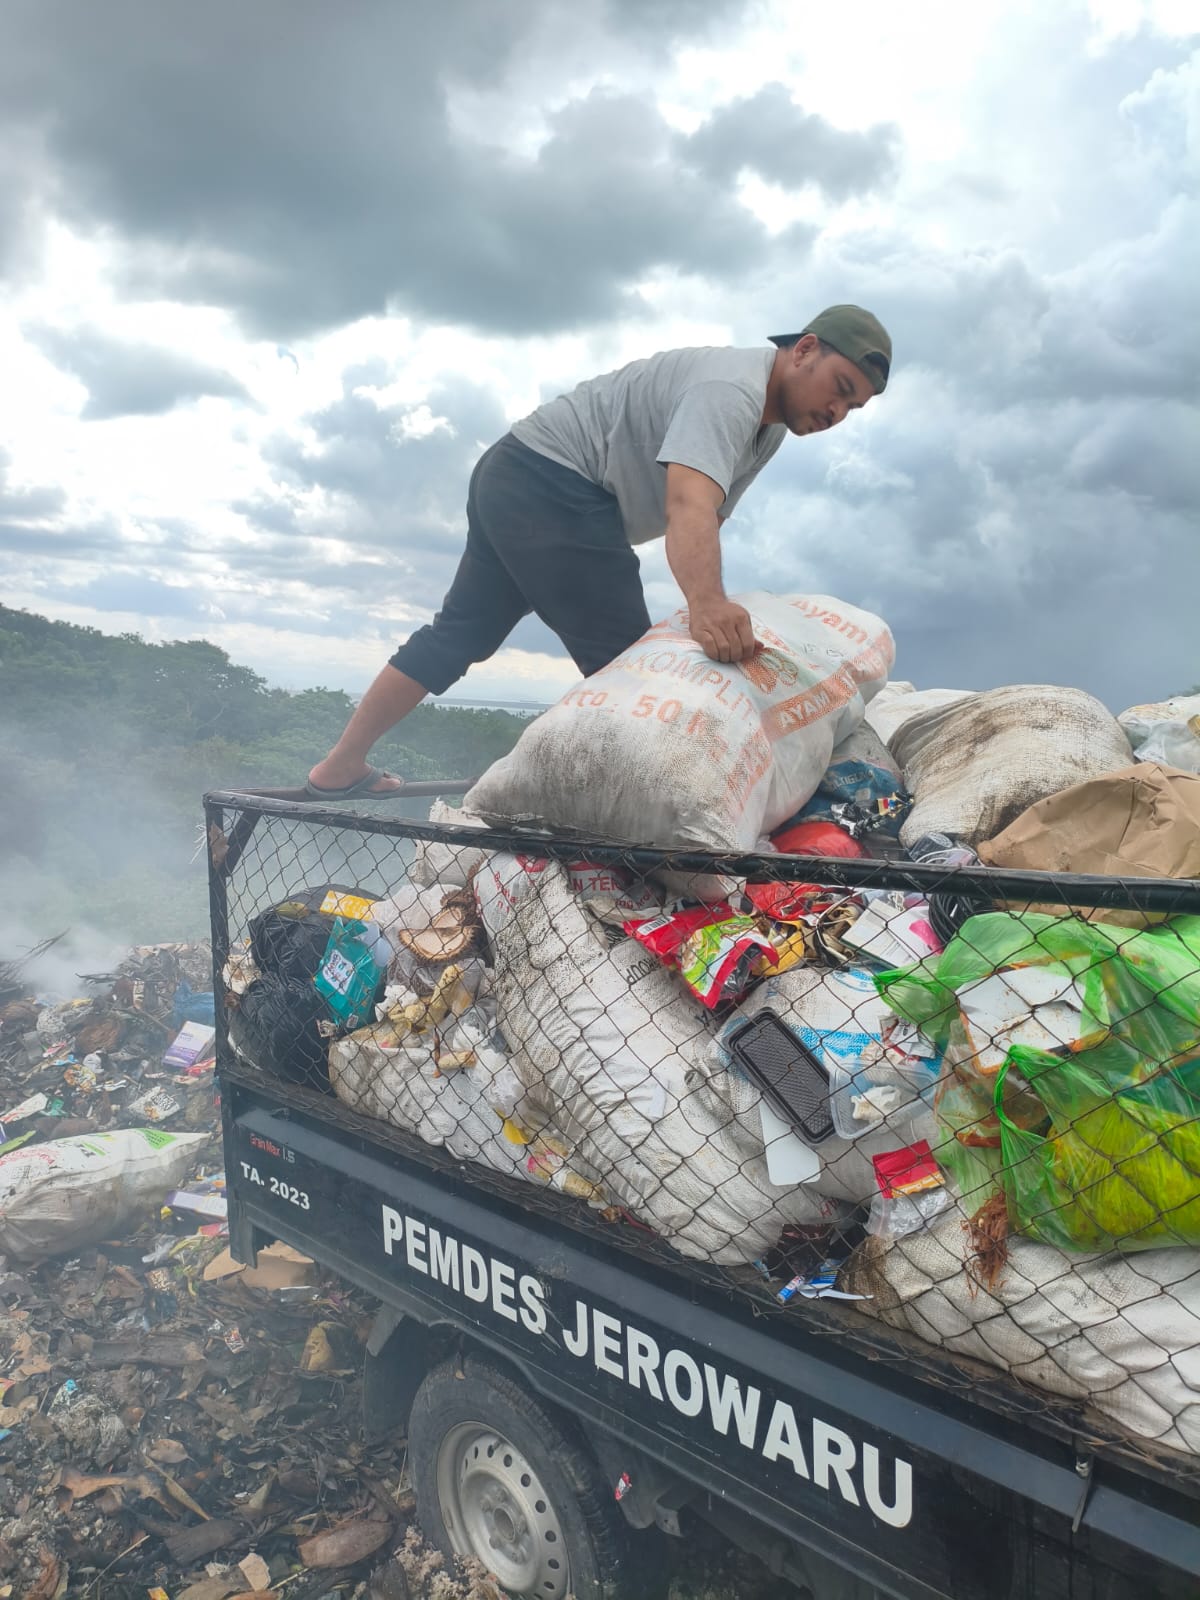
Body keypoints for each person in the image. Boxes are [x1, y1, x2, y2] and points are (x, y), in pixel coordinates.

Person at [305, 304, 891, 799]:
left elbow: (706, 515)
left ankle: (338, 770)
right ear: (804, 349)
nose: (838, 412)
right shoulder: (731, 390)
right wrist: (706, 604)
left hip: (515, 471)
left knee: (458, 634)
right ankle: (632, 816)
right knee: (630, 669)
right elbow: (687, 505)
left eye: (854, 408)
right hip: (552, 482)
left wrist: (708, 600)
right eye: (840, 389)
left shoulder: (767, 428)